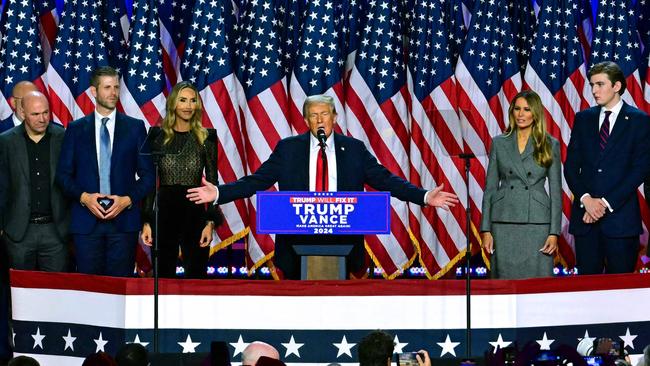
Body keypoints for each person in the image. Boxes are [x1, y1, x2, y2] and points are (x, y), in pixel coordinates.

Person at [187, 95, 458, 279]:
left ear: (335, 117)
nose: (319, 120)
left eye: (324, 114)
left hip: (342, 242)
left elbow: (385, 180)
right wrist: (219, 192)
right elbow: (257, 181)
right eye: (313, 115)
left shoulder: (353, 149)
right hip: (296, 243)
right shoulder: (289, 149)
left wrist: (423, 196)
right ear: (305, 121)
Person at [56, 66, 155, 277]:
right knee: (89, 291)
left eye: (116, 87)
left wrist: (127, 200)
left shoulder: (135, 127)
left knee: (120, 291)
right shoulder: (75, 129)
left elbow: (148, 176)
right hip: (86, 224)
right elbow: (63, 176)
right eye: (107, 87)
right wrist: (85, 198)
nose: (113, 93)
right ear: (94, 91)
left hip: (123, 224)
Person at [564, 61, 650, 274]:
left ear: (617, 86)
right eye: (592, 84)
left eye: (600, 84)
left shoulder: (639, 120)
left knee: (620, 293)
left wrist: (602, 203)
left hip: (620, 221)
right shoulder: (583, 118)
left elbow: (639, 169)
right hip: (586, 222)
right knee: (586, 290)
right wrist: (586, 199)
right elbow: (571, 166)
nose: (594, 90)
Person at [140, 82, 223, 278]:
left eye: (193, 100)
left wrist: (210, 222)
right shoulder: (157, 136)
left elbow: (213, 181)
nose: (188, 106)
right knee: (163, 276)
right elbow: (150, 182)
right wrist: (146, 221)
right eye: (183, 100)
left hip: (194, 211)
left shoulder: (207, 137)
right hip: (164, 213)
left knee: (196, 276)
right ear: (173, 104)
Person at [479, 90, 561, 279]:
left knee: (537, 283)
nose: (521, 114)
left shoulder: (550, 144)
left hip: (537, 223)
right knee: (503, 283)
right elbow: (490, 188)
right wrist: (486, 229)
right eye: (517, 109)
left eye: (526, 109)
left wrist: (554, 232)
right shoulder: (499, 143)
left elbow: (556, 192)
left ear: (536, 113)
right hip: (504, 220)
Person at [0, 91, 70, 271]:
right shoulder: (6, 141)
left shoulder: (63, 137)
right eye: (35, 114)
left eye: (46, 112)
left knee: (55, 293)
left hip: (55, 231)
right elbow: (2, 186)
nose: (42, 119)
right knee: (20, 295)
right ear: (22, 113)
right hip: (19, 232)